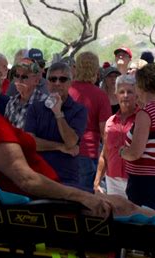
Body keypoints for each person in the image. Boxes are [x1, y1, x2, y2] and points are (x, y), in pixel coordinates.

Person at [0, 37, 155, 221]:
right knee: (129, 210)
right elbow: (26, 179)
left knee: (128, 207)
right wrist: (81, 196)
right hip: (44, 205)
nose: (2, 78)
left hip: (52, 193)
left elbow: (68, 145)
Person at [119, 64, 155, 212]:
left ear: (140, 86)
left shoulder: (145, 114)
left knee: (142, 226)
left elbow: (135, 153)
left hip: (145, 180)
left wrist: (122, 152)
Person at [25, 62, 87, 187]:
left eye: (62, 79)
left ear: (70, 83)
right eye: (53, 79)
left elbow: (70, 142)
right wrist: (59, 146)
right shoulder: (35, 108)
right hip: (39, 174)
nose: (57, 83)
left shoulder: (79, 110)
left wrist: (58, 114)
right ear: (47, 82)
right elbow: (30, 143)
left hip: (66, 177)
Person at [68, 51, 112, 191]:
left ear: (76, 67)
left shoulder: (66, 91)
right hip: (88, 154)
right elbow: (106, 133)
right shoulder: (100, 96)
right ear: (95, 70)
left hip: (64, 150)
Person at [94, 74, 138, 198]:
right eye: (121, 92)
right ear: (116, 95)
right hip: (112, 179)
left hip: (135, 180)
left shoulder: (143, 118)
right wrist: (97, 182)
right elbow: (105, 153)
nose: (125, 96)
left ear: (136, 94)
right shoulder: (110, 122)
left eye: (129, 92)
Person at [4, 58, 47, 129]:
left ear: (36, 80)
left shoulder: (44, 103)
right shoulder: (11, 102)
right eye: (17, 76)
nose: (19, 80)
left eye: (24, 77)